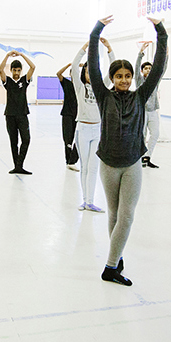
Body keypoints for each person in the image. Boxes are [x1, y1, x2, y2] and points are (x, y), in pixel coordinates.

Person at [88, 15, 167, 286]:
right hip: (108, 163)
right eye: (119, 76)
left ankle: (110, 266)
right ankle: (116, 257)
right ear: (112, 78)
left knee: (127, 215)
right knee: (113, 214)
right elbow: (93, 66)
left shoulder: (140, 95)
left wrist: (160, 31)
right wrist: (97, 30)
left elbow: (158, 67)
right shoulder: (103, 95)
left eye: (127, 76)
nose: (123, 80)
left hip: (132, 162)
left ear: (132, 78)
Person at [71, 38, 117, 212]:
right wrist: (84, 48)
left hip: (97, 130)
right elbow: (75, 66)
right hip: (82, 129)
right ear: (85, 74)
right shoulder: (80, 87)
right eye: (88, 72)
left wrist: (109, 49)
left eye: (94, 72)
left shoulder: (102, 87)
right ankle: (85, 200)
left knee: (94, 166)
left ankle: (90, 201)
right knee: (84, 167)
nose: (91, 75)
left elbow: (113, 71)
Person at [0, 50, 37, 175]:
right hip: (10, 115)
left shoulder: (25, 81)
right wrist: (7, 56)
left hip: (22, 114)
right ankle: (17, 166)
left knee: (26, 139)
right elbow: (0, 70)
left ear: (21, 71)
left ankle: (19, 165)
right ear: (11, 70)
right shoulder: (7, 81)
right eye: (14, 70)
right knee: (13, 142)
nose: (16, 73)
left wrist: (22, 55)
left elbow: (33, 67)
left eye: (18, 70)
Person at [135, 42, 163, 169]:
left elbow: (162, 69)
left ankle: (147, 157)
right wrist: (141, 53)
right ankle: (140, 158)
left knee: (155, 133)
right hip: (141, 111)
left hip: (153, 111)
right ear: (142, 71)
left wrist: (165, 55)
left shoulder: (155, 81)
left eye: (150, 68)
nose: (148, 70)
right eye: (146, 68)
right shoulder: (140, 81)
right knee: (142, 135)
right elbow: (136, 69)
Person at [56, 62, 80, 171]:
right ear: (70, 74)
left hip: (78, 115)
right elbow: (58, 73)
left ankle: (72, 160)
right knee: (67, 139)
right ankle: (68, 161)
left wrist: (82, 66)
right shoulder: (66, 83)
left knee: (78, 139)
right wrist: (69, 65)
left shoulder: (81, 86)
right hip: (67, 114)